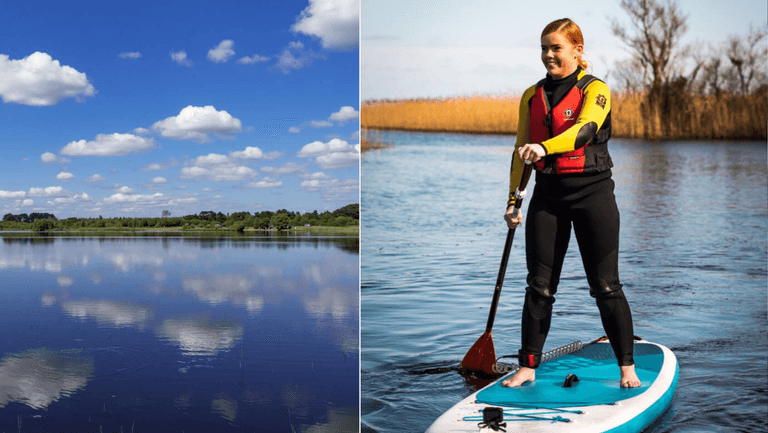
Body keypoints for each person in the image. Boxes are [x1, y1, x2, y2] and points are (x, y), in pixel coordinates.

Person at [501, 18, 640, 388]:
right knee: (539, 287)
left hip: (593, 194)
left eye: (556, 47)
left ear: (578, 50)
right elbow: (520, 151)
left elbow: (585, 131)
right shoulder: (531, 95)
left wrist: (544, 147)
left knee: (605, 285)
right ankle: (528, 366)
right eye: (544, 48)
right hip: (547, 197)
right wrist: (514, 200)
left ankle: (627, 367)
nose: (548, 54)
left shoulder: (597, 89)